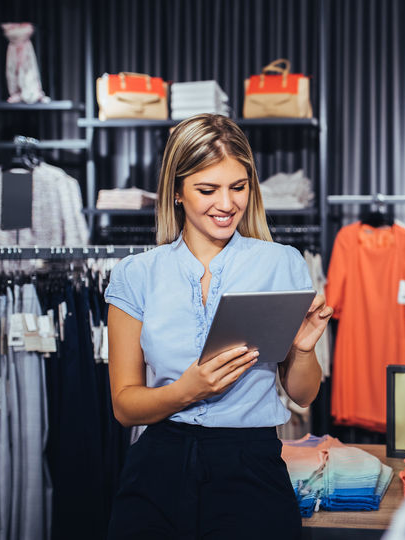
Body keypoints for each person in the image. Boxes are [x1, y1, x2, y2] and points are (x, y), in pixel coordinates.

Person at [104, 113, 331, 539]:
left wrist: (302, 350)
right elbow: (124, 405)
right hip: (159, 467)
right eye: (207, 190)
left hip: (252, 465)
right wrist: (188, 390)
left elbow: (303, 394)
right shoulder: (135, 274)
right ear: (176, 191)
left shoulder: (283, 263)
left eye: (238, 188)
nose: (226, 205)